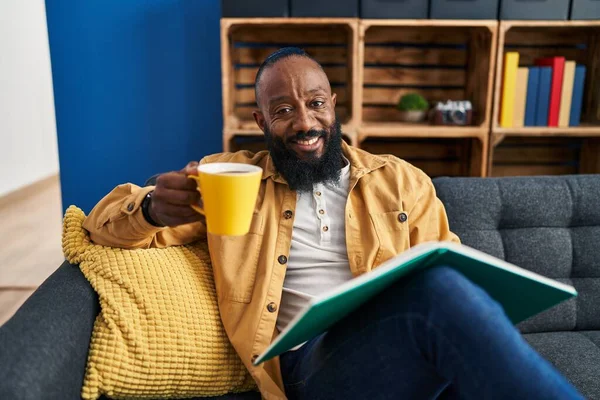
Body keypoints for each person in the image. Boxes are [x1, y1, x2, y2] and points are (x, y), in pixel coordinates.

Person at [84, 47, 583, 400]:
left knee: (448, 304)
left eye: (315, 103)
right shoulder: (227, 177)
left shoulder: (401, 180)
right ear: (260, 122)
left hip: (406, 354)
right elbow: (99, 228)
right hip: (312, 370)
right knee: (438, 293)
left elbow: (453, 270)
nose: (304, 121)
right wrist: (150, 209)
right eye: (283, 110)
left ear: (333, 106)